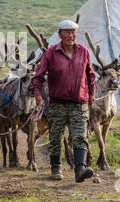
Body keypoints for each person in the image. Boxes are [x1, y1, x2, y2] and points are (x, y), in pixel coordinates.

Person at [31, 20, 96, 182]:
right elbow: (38, 77)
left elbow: (90, 75)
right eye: (66, 32)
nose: (70, 36)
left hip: (79, 102)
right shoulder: (51, 53)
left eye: (73, 32)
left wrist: (92, 93)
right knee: (55, 137)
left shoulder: (84, 51)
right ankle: (56, 168)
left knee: (80, 135)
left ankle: (80, 169)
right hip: (57, 103)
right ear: (60, 35)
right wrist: (38, 94)